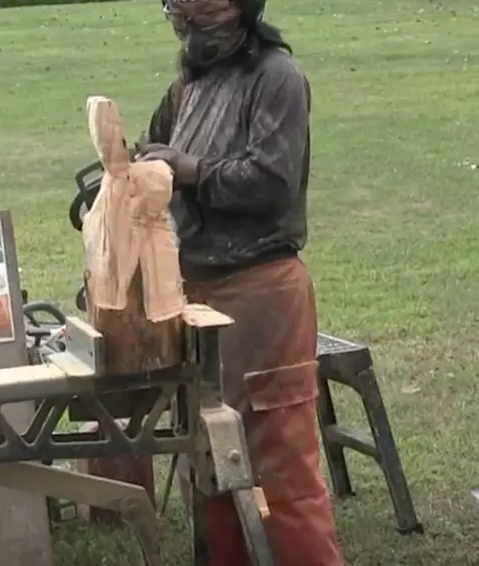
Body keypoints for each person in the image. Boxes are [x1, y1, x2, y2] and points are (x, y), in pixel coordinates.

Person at [136, 0, 344, 564]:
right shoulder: (189, 88)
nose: (188, 19)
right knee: (209, 459)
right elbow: (149, 152)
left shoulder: (275, 76)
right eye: (178, 6)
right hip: (196, 296)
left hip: (261, 290)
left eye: (203, 6)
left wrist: (191, 171)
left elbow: (272, 183)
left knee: (277, 460)